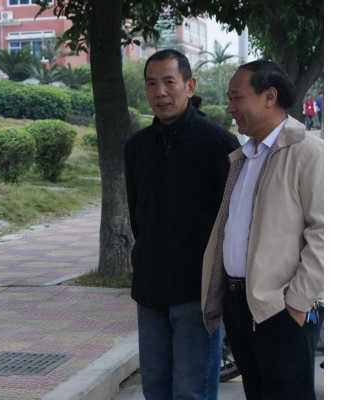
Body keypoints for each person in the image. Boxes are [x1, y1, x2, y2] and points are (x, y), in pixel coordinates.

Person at [201, 60, 324, 400]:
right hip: (239, 305)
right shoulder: (244, 157)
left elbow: (325, 234)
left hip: (281, 307)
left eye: (237, 97)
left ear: (269, 97)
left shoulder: (308, 152)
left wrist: (296, 305)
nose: (230, 108)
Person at [124, 49, 240, 400]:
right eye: (151, 83)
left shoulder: (219, 145)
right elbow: (138, 218)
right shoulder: (137, 147)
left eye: (169, 82)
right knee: (155, 390)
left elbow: (233, 223)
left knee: (192, 392)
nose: (160, 91)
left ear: (190, 86)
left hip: (196, 295)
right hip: (150, 294)